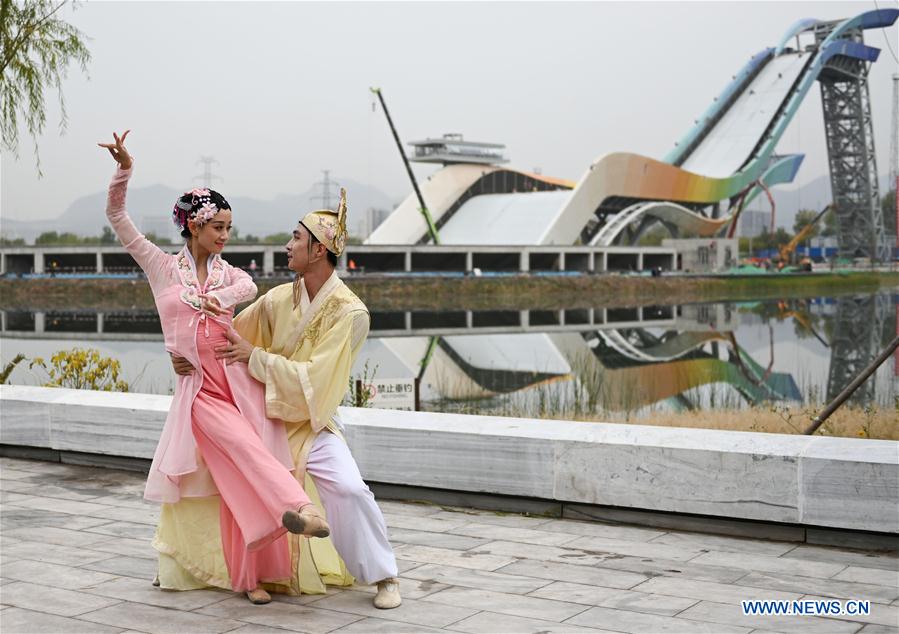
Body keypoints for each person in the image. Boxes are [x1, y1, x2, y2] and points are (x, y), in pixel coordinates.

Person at [98, 130, 329, 605]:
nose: (225, 235)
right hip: (198, 389)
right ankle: (297, 506)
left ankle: (251, 578)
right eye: (217, 226)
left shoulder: (230, 274)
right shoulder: (161, 267)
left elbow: (248, 289)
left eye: (228, 226)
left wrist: (210, 297)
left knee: (234, 479)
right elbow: (117, 217)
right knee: (246, 449)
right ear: (193, 227)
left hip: (237, 382)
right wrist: (124, 170)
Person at [169, 187, 402, 609]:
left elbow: (316, 382)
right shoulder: (279, 298)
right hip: (266, 416)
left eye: (296, 237)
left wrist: (256, 357)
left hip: (311, 423)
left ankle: (385, 576)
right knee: (227, 476)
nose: (287, 245)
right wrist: (184, 356)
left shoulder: (351, 314)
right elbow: (225, 337)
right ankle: (246, 572)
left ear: (319, 250)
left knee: (348, 488)